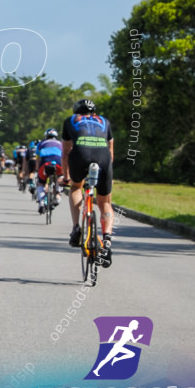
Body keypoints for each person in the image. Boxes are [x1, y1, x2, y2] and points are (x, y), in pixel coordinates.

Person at [62, 99, 115, 266]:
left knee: (76, 187)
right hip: (103, 158)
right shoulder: (104, 120)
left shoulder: (71, 120)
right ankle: (107, 239)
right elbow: (111, 151)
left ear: (76, 111)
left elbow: (65, 152)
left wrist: (66, 176)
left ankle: (77, 227)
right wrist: (107, 173)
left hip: (81, 155)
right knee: (105, 202)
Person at [34, 129, 63, 213]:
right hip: (58, 162)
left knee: (41, 183)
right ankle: (58, 196)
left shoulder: (41, 143)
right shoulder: (60, 143)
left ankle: (42, 203)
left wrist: (37, 169)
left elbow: (38, 158)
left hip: (45, 162)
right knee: (60, 178)